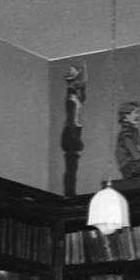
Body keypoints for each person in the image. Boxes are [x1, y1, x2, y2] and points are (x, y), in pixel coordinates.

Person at [60, 60, 87, 197]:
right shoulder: (71, 98)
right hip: (71, 133)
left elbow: (83, 93)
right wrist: (77, 140)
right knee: (71, 166)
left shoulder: (76, 96)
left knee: (72, 166)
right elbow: (71, 120)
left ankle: (70, 191)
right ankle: (69, 192)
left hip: (74, 131)